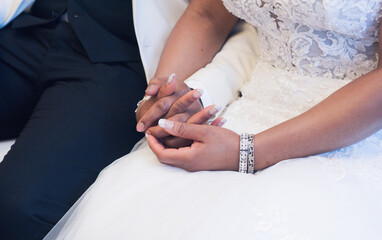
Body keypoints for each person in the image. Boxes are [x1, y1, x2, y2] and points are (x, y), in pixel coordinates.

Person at [45, 0, 382, 239]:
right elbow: (205, 14)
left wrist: (247, 152)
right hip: (246, 112)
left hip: (353, 128)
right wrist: (166, 96)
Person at [0, 0, 227, 239]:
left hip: (123, 58)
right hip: (25, 25)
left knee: (20, 207)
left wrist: (182, 89)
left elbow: (213, 16)